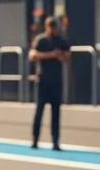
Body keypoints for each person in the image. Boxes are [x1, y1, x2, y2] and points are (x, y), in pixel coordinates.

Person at [29, 15, 70, 150]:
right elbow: (32, 55)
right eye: (51, 26)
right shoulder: (40, 40)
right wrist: (50, 55)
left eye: (54, 26)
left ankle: (55, 141)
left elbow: (68, 60)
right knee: (39, 109)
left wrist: (60, 56)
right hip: (43, 80)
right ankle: (35, 139)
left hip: (56, 81)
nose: (53, 29)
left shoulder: (61, 42)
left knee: (56, 112)